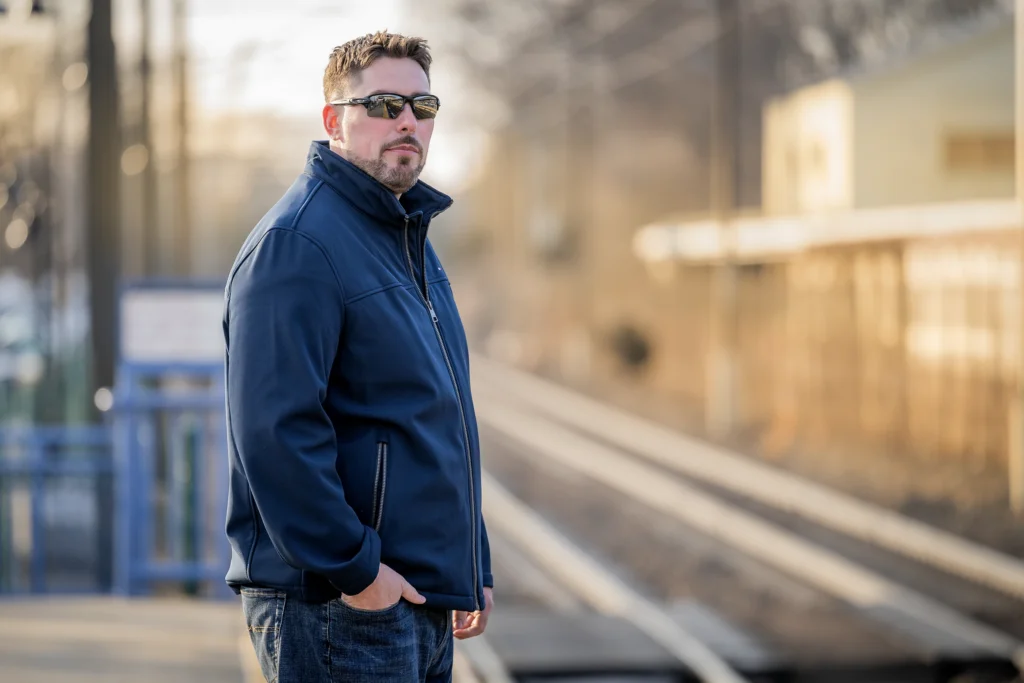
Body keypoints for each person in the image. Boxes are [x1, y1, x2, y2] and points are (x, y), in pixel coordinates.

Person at [222, 31, 493, 683]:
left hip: (414, 600)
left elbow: (438, 415)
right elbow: (276, 432)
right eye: (383, 104)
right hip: (338, 608)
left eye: (422, 106)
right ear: (333, 120)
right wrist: (358, 570)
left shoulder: (406, 240)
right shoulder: (298, 244)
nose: (407, 121)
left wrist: (470, 564)